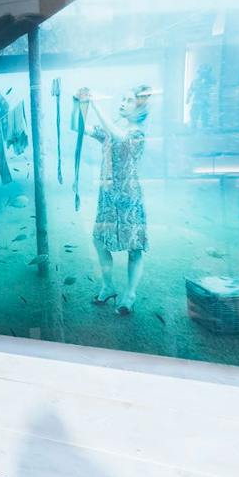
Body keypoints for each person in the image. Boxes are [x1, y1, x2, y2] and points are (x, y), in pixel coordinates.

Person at [79, 85, 152, 315]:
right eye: (122, 99)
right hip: (108, 197)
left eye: (128, 100)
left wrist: (95, 104)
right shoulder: (112, 131)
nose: (122, 103)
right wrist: (81, 104)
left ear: (139, 108)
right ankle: (108, 286)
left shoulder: (137, 133)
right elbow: (80, 129)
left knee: (135, 248)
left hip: (129, 198)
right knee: (99, 241)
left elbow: (120, 137)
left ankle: (130, 294)